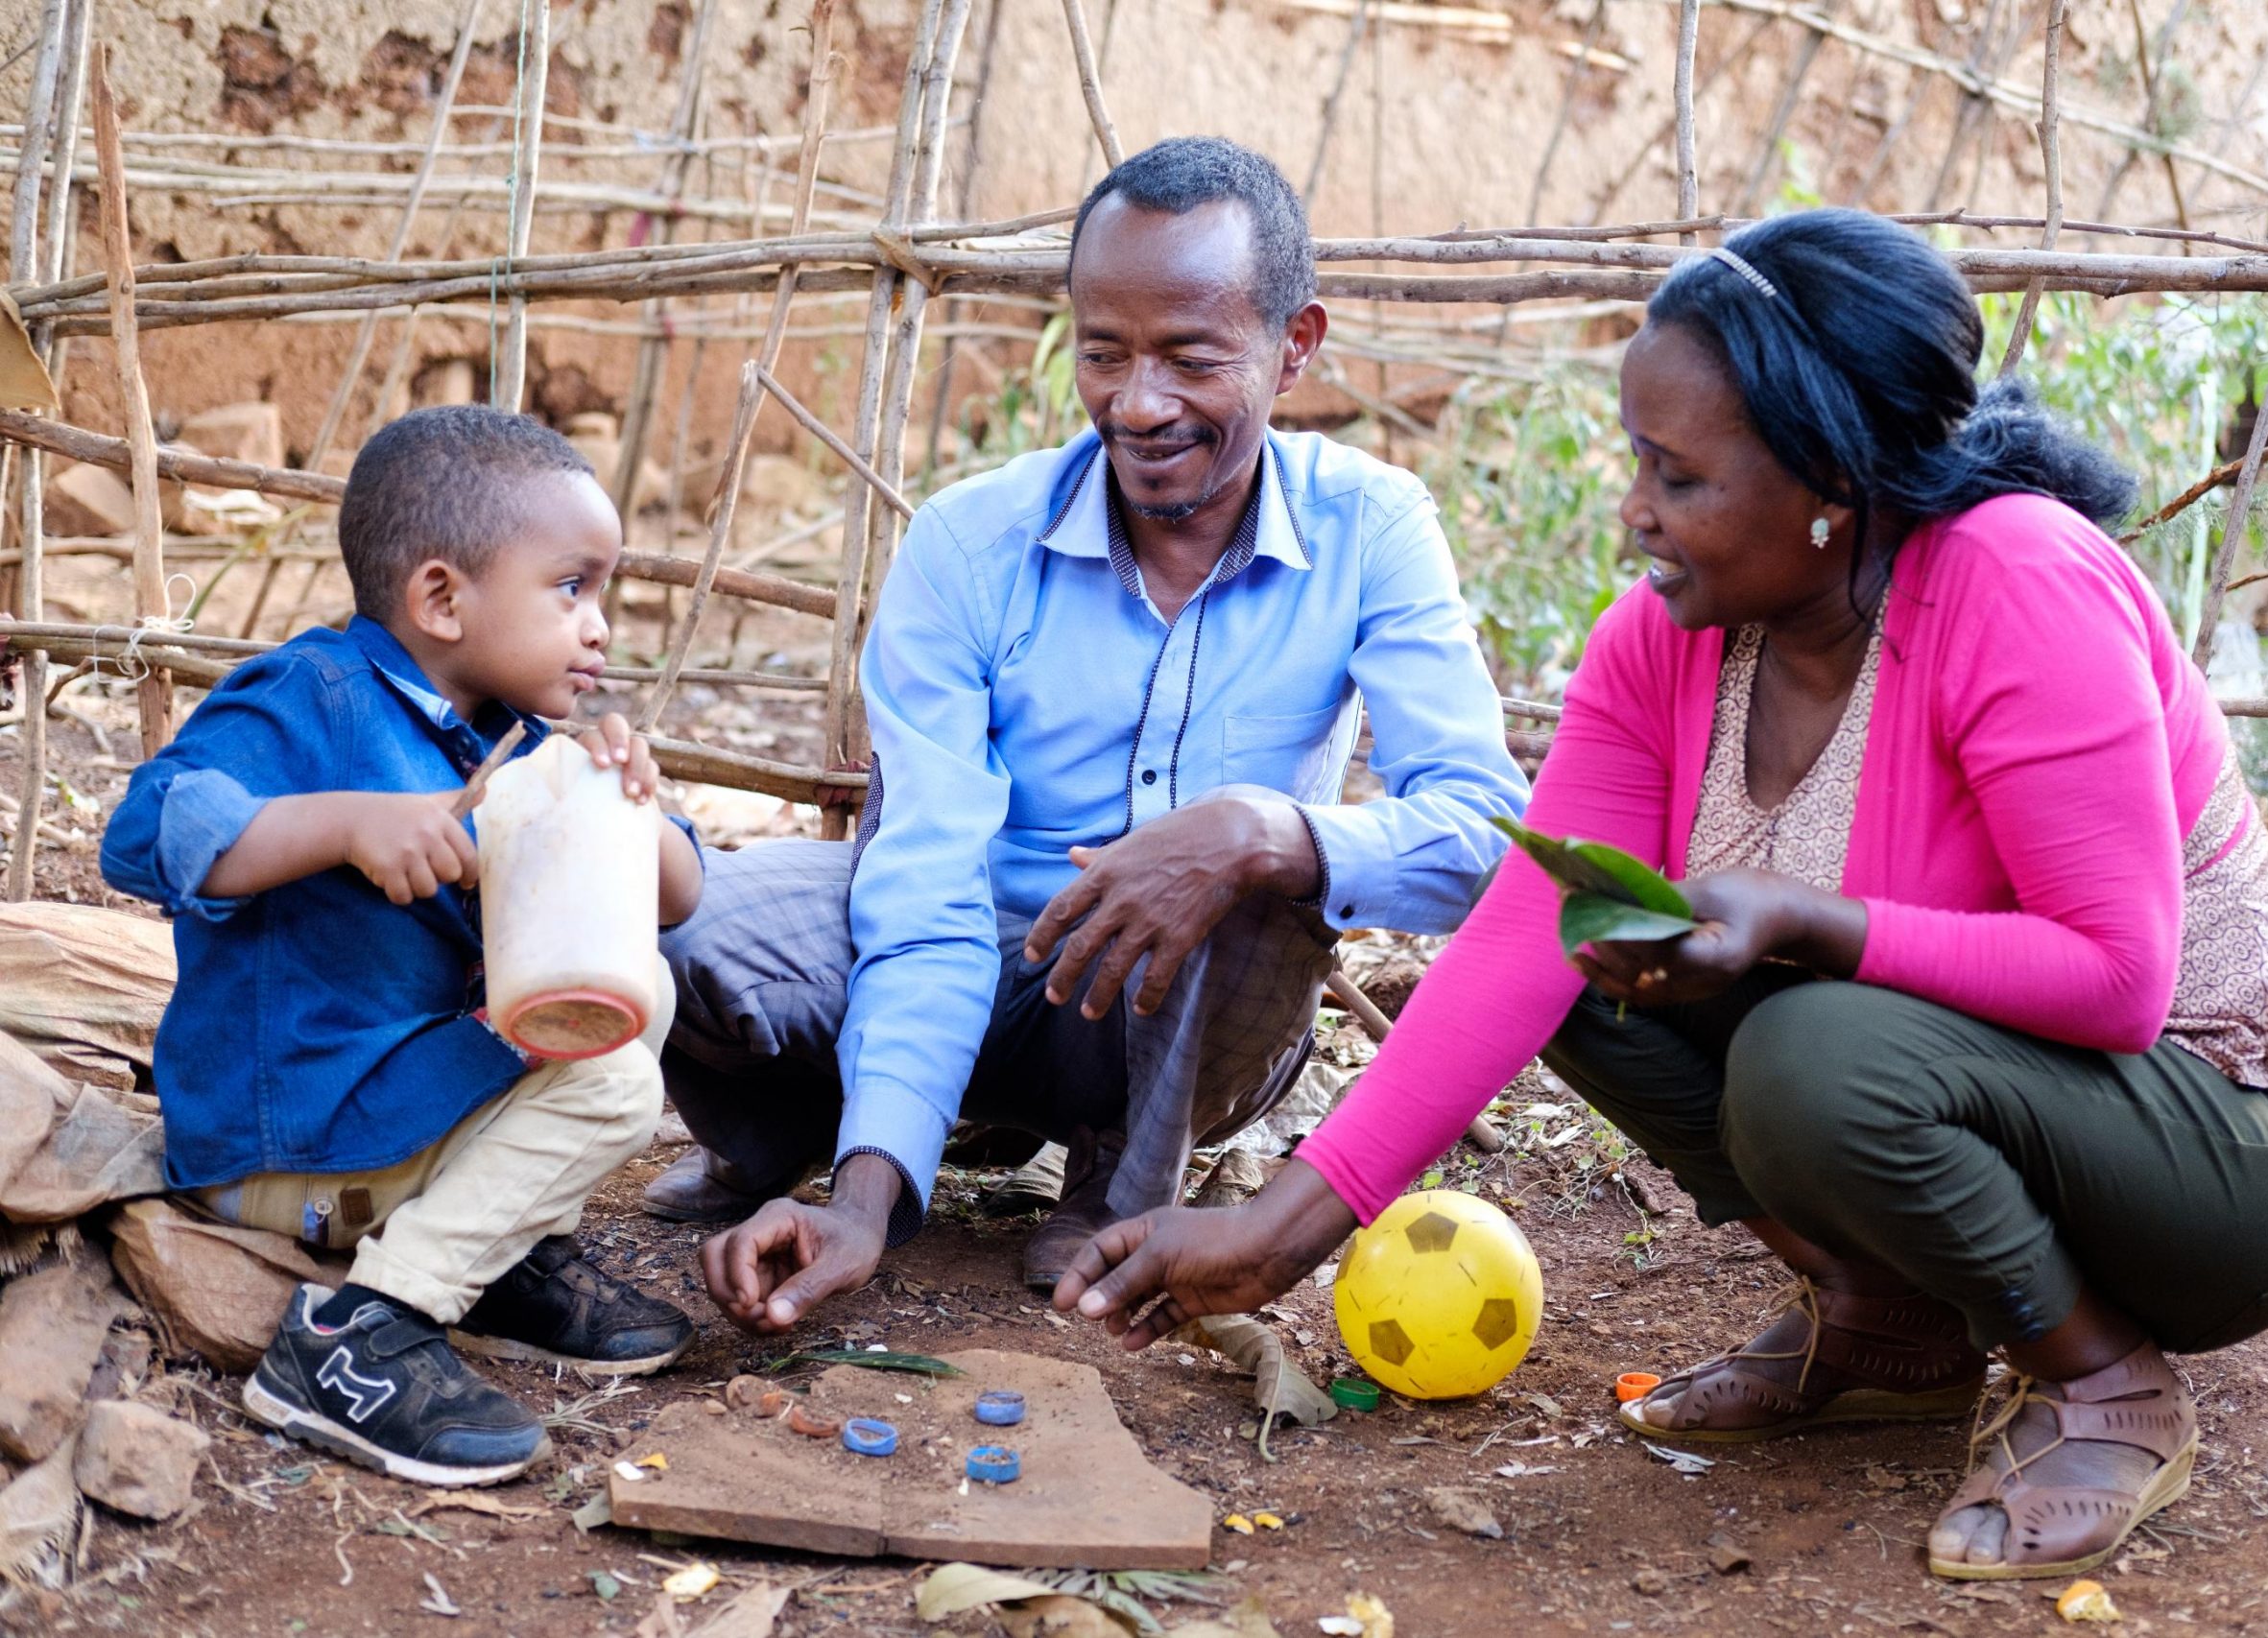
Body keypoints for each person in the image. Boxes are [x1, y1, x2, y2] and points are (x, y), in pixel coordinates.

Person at [1053, 208, 2268, 1583]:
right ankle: (1885, 1323)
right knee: (1588, 940)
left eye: (1676, 474)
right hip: (2002, 1103)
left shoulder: (2017, 581)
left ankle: (2104, 1379)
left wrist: (1809, 923)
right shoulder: (1666, 642)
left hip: (2227, 1142)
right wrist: (1284, 1233)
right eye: (1639, 461)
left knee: (1819, 1049)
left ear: (1829, 481)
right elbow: (1517, 939)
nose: (1635, 510)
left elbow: (2116, 978)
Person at [659, 135, 1528, 1321]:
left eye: (1190, 358)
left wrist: (1256, 830)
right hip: (971, 956)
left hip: (1177, 1014)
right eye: (1103, 352)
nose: (1138, 403)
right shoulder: (970, 543)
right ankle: (828, 1135)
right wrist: (871, 1201)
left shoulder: (1371, 528)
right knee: (686, 914)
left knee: (1266, 881)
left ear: (1297, 345)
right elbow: (926, 884)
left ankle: (1118, 1182)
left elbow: (1488, 835)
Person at [102, 406, 707, 1488]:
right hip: (290, 1135)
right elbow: (147, 828)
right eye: (572, 588)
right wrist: (344, 824)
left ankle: (499, 1255)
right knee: (612, 1085)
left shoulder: (509, 744)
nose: (601, 625)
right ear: (440, 597)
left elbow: (678, 895)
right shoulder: (313, 698)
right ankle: (361, 1336)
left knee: (635, 989)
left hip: (390, 1109)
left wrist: (626, 806)